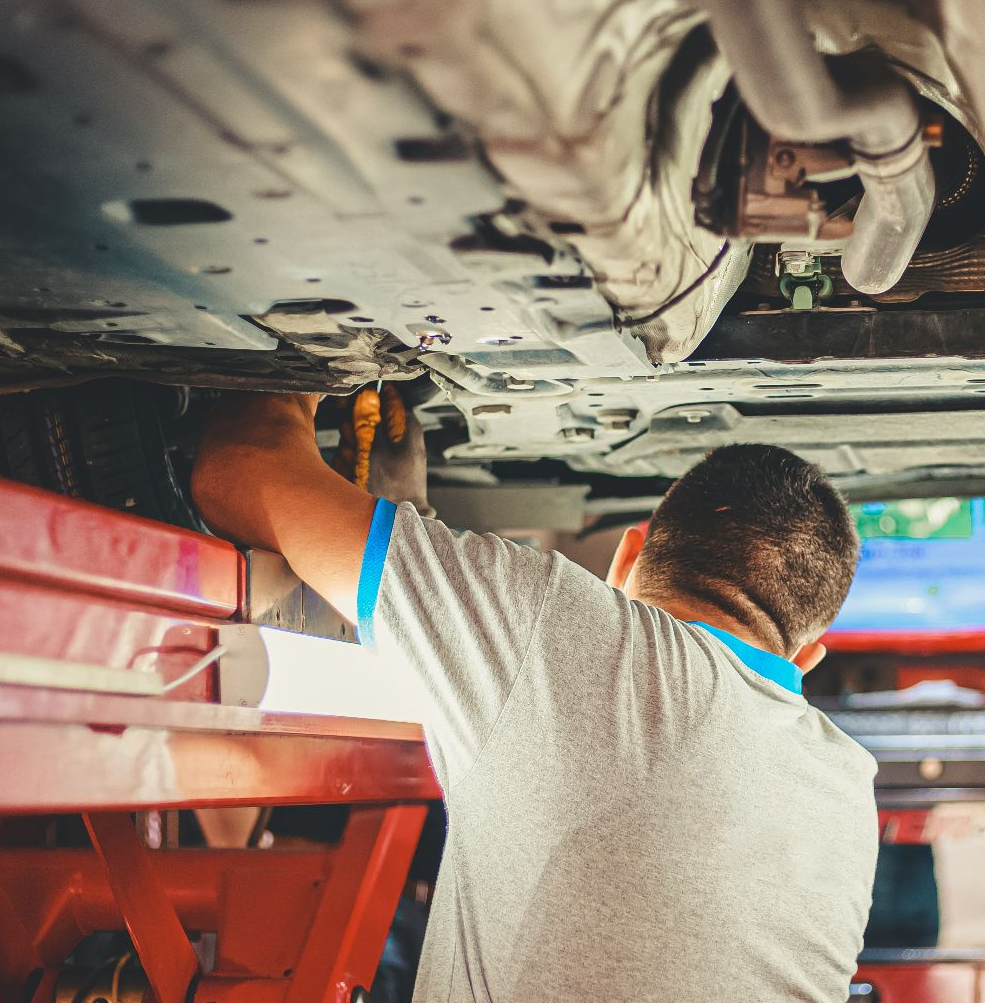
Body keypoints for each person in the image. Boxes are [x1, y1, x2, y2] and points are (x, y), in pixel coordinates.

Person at [190, 392, 878, 1003]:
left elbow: (239, 471)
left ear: (626, 559)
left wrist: (310, 373)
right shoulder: (848, 788)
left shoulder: (566, 630)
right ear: (803, 659)